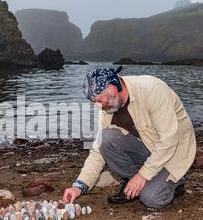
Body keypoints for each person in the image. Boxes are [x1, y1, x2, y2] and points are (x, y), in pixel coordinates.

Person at [62, 66, 196, 209]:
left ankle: (176, 181)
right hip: (147, 147)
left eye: (100, 101)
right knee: (106, 139)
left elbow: (168, 140)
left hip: (174, 152)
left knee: (151, 199)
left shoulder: (152, 90)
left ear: (112, 89)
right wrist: (80, 185)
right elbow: (98, 149)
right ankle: (133, 182)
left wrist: (143, 176)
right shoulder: (109, 106)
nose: (99, 107)